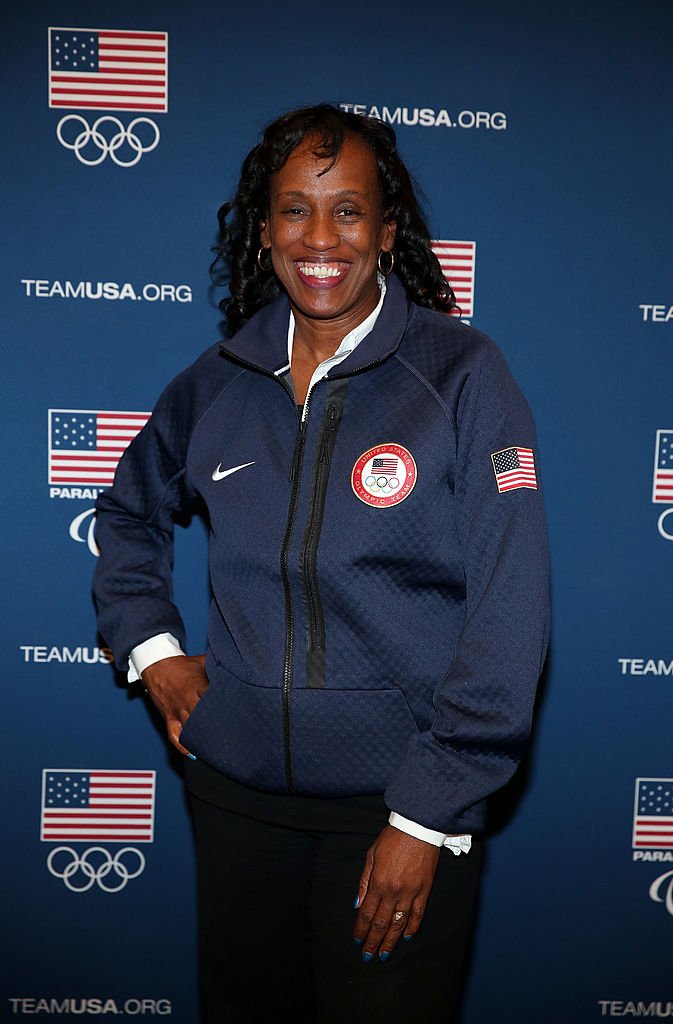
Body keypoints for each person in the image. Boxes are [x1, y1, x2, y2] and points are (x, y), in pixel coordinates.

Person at [93, 103, 549, 1023]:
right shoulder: (217, 380)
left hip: (394, 811)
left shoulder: (459, 374)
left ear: (387, 229)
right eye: (295, 209)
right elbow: (127, 513)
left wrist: (427, 815)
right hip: (234, 801)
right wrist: (152, 651)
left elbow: (511, 608)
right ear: (263, 232)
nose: (320, 236)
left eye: (348, 210)